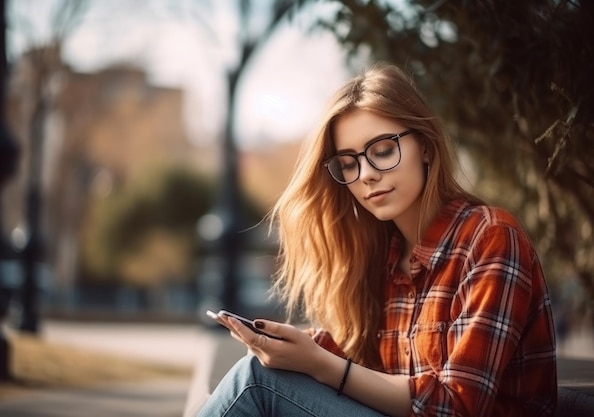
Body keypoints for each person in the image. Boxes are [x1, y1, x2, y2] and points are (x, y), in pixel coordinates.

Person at [198, 62, 557, 417]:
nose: (366, 174)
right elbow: (373, 366)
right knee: (263, 372)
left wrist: (321, 365)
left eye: (383, 150)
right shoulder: (385, 255)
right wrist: (301, 349)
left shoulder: (491, 238)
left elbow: (456, 407)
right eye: (349, 163)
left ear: (427, 147)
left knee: (256, 382)